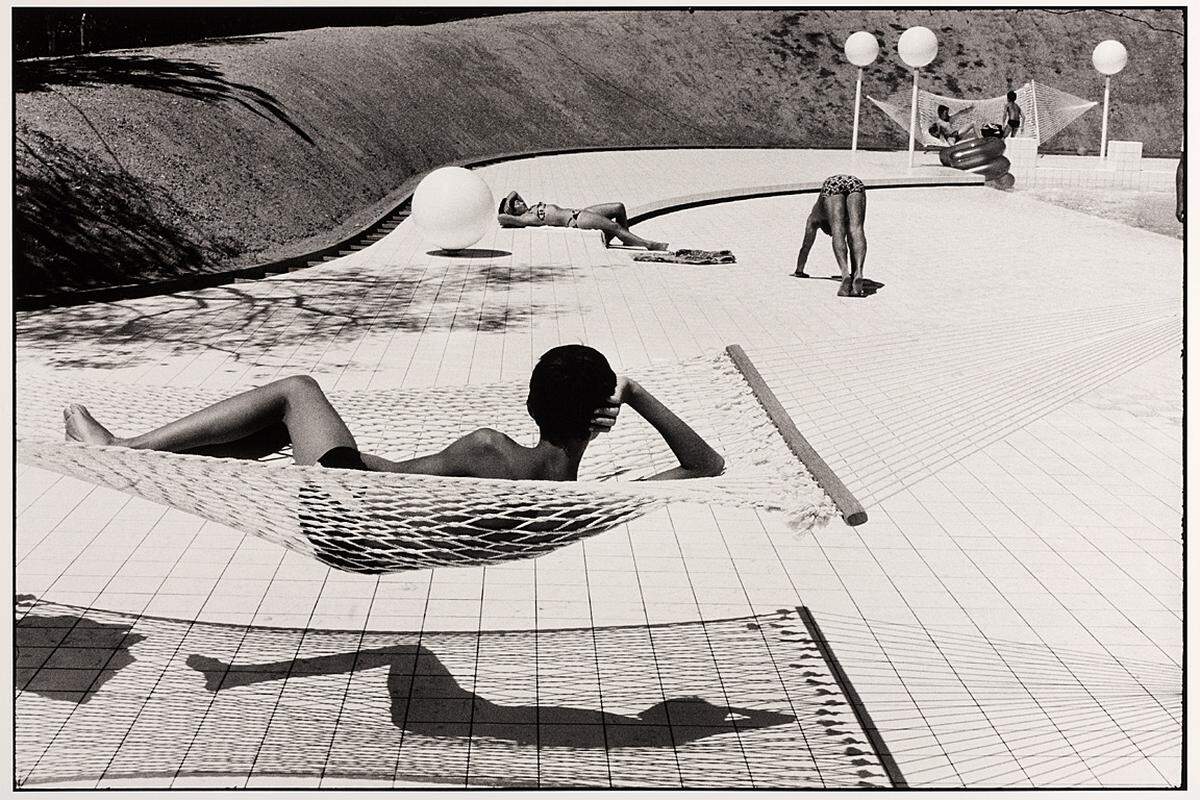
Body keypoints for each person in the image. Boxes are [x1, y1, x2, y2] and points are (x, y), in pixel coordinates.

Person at [62, 345, 724, 483]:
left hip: (351, 512)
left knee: (296, 388)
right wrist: (633, 394)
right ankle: (145, 463)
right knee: (268, 437)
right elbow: (706, 465)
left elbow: (393, 482)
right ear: (596, 417)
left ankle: (121, 451)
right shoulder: (576, 495)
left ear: (531, 404)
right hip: (369, 513)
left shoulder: (491, 449)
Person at [498, 191, 668, 251]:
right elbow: (501, 218)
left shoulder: (530, 208)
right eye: (516, 204)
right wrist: (508, 210)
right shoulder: (525, 218)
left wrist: (509, 200)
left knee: (619, 207)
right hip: (576, 219)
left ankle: (628, 238)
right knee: (614, 226)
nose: (520, 201)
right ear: (513, 211)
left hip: (580, 211)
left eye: (518, 201)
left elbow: (514, 192)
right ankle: (647, 244)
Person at [792, 175, 868, 298]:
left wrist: (799, 271)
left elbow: (805, 247)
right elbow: (851, 240)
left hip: (832, 185)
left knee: (838, 229)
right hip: (855, 183)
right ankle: (858, 273)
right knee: (857, 228)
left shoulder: (814, 218)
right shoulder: (842, 218)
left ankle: (845, 274)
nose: (829, 234)